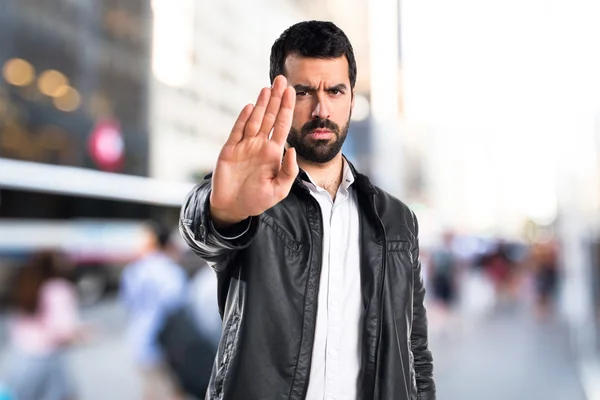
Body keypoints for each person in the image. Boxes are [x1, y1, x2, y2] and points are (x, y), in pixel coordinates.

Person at [180, 21, 435, 400]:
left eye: (335, 91)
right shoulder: (254, 201)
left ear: (351, 98)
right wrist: (223, 210)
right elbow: (205, 230)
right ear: (279, 96)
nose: (321, 109)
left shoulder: (396, 219)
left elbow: (415, 353)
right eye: (303, 92)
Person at [4, 250, 86, 400]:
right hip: (48, 360)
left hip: (21, 359)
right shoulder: (58, 288)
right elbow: (64, 331)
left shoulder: (25, 284)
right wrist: (83, 334)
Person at [120, 222, 187, 400]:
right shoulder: (170, 270)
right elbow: (177, 307)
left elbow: (128, 303)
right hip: (163, 345)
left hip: (139, 340)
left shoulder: (133, 270)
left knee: (151, 392)